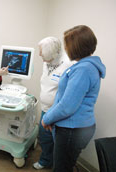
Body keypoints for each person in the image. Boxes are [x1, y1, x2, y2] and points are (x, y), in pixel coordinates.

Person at [41, 25, 106, 172]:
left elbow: (67, 106)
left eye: (66, 45)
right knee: (66, 164)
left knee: (62, 168)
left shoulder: (83, 69)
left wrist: (47, 118)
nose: (65, 48)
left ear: (75, 47)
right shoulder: (82, 66)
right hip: (74, 127)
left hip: (72, 130)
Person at [33, 37, 75, 170]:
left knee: (59, 144)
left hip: (59, 113)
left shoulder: (69, 65)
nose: (40, 55)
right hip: (46, 109)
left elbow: (69, 94)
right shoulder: (46, 61)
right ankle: (45, 160)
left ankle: (59, 166)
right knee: (44, 138)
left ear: (54, 54)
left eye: (43, 54)